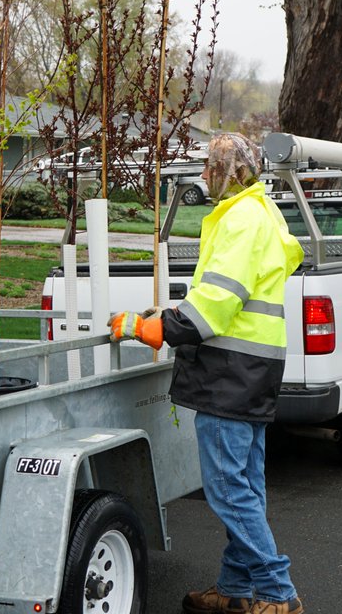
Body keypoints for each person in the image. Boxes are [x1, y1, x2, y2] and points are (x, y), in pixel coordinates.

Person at [109, 132, 305, 614]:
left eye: (208, 168)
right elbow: (229, 298)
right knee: (248, 488)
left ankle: (279, 595)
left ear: (228, 171)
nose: (202, 177)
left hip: (227, 377)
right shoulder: (262, 212)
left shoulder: (240, 219)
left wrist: (151, 328)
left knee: (228, 492)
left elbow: (215, 304)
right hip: (254, 373)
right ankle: (235, 591)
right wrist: (172, 313)